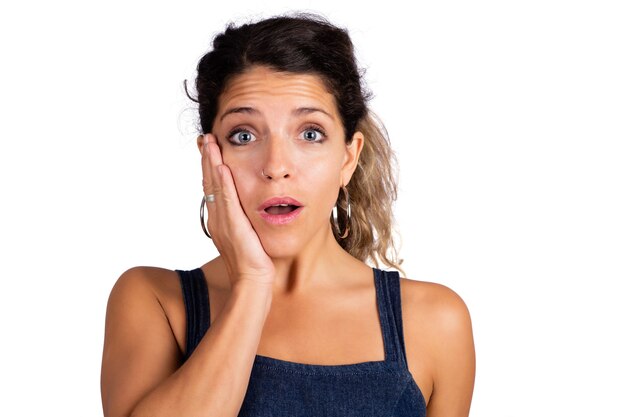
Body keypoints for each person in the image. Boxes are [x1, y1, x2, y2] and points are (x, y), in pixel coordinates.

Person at [100, 13, 475, 417]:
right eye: (244, 135)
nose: (276, 165)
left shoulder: (435, 321)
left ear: (348, 157)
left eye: (310, 133)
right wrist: (251, 284)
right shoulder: (155, 301)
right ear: (210, 157)